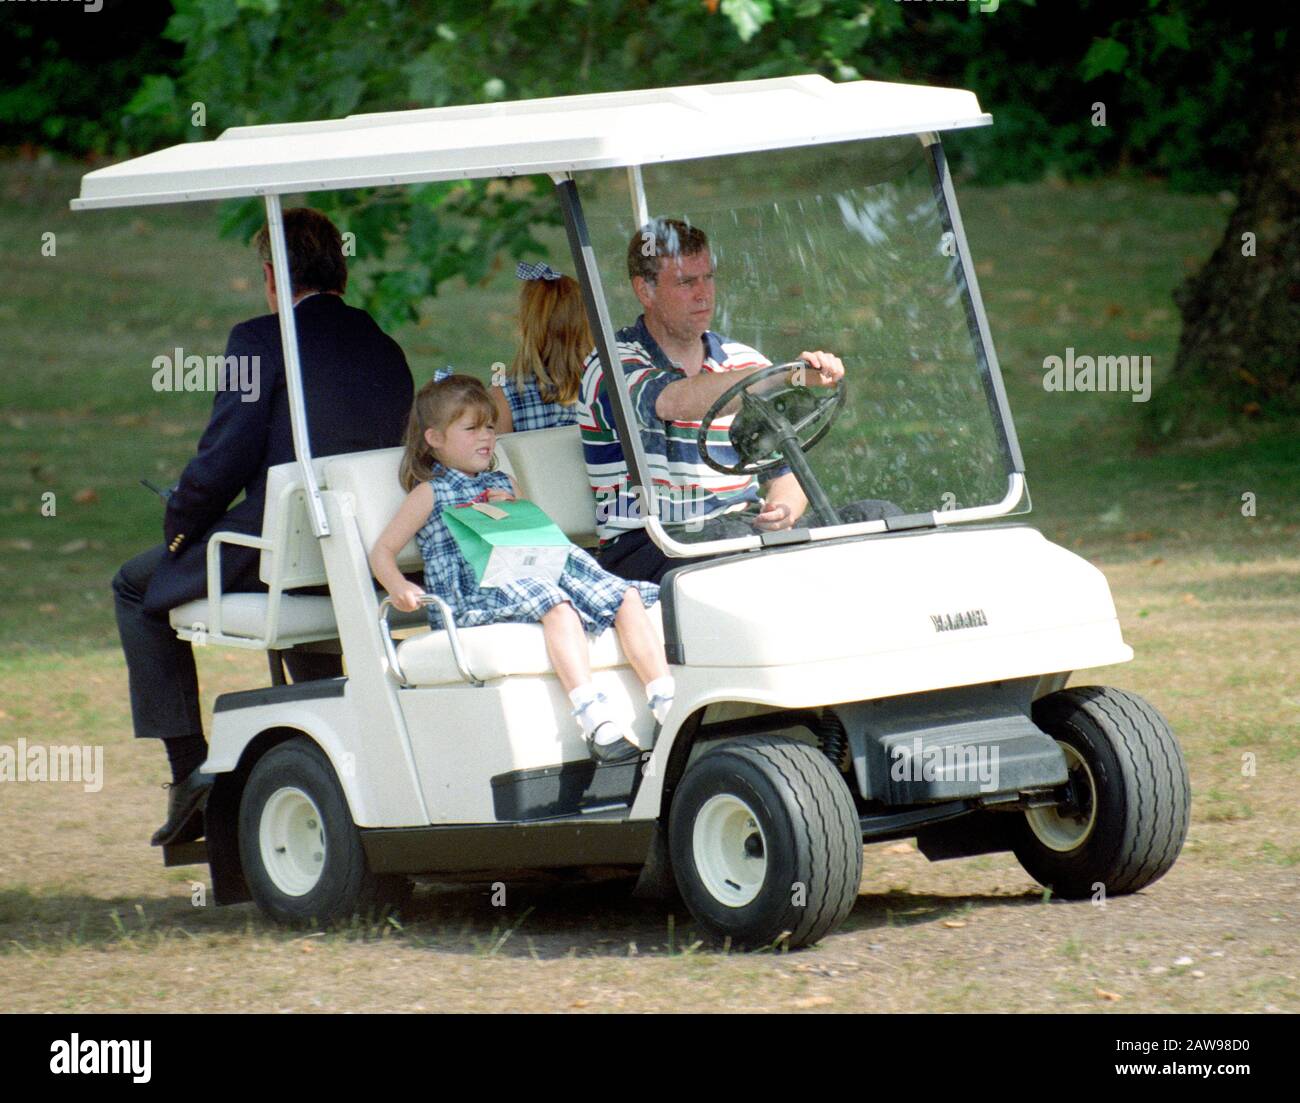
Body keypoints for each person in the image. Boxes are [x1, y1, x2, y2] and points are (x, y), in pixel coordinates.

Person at [112, 208, 414, 847]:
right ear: (343, 269)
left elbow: (222, 462)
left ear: (275, 277)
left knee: (136, 587)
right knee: (289, 560)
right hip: (360, 561)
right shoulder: (384, 346)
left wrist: (179, 528)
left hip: (281, 551)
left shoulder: (259, 338)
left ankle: (188, 771)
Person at [370, 374, 673, 763]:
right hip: (476, 586)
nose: (486, 437)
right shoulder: (430, 492)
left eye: (490, 427)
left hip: (528, 572)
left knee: (625, 595)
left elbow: (535, 537)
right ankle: (593, 717)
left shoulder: (503, 481)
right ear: (435, 439)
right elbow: (383, 550)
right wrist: (398, 586)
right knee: (557, 604)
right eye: (472, 428)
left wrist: (515, 504)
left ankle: (665, 699)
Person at [578, 218, 847, 584]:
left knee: (873, 516)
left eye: (709, 277)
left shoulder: (744, 362)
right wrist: (783, 377)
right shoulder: (611, 363)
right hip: (652, 545)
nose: (704, 294)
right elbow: (673, 401)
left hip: (740, 533)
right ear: (645, 291)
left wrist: (783, 509)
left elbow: (786, 471)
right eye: (687, 282)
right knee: (736, 545)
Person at [489, 262, 591, 433]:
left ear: (525, 325)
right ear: (586, 323)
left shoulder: (504, 392)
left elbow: (500, 457)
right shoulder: (604, 383)